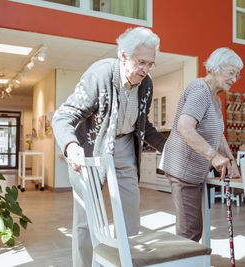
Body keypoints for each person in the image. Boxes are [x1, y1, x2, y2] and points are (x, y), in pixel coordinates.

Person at [52, 27, 166, 267]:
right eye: (141, 62)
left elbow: (145, 125)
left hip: (125, 147)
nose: (146, 69)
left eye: (151, 64)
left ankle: (124, 261)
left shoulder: (146, 84)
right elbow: (64, 115)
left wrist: (169, 148)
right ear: (123, 56)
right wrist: (71, 145)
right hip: (92, 149)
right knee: (87, 219)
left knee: (130, 216)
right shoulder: (101, 74)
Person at [160, 47, 243, 242]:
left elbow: (218, 134)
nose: (234, 79)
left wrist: (231, 160)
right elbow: (185, 127)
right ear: (215, 67)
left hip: (193, 170)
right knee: (190, 231)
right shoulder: (200, 90)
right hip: (183, 169)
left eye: (237, 75)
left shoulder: (215, 97)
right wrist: (214, 157)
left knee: (192, 227)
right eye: (231, 72)